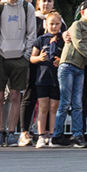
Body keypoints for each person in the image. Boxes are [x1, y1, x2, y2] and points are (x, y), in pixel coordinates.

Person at [0, 0, 35, 146]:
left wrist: (26, 56)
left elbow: (31, 33)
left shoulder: (27, 7)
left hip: (19, 56)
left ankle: (12, 132)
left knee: (16, 96)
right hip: (1, 55)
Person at [57, 1, 87, 146]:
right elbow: (79, 45)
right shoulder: (77, 25)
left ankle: (77, 135)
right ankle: (57, 135)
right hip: (68, 65)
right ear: (82, 12)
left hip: (80, 68)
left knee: (78, 104)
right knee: (65, 102)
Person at [28, 10, 64, 144]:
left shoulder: (63, 40)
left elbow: (67, 55)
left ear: (60, 24)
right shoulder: (41, 39)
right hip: (42, 78)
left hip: (57, 78)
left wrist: (61, 60)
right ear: (46, 25)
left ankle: (52, 135)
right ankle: (41, 135)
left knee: (54, 107)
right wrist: (39, 58)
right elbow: (32, 58)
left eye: (56, 24)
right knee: (43, 107)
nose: (54, 26)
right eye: (51, 24)